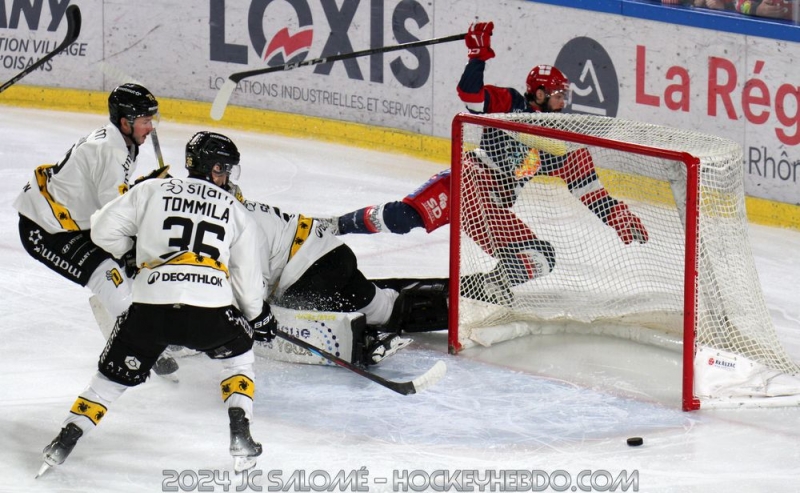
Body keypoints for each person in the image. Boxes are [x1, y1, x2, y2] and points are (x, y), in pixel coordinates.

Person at [331, 22, 648, 304]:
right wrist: (477, 56)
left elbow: (587, 188)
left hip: (494, 205)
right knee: (403, 217)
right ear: (537, 93)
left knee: (539, 257)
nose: (563, 102)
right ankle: (332, 225)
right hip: (469, 181)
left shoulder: (557, 140)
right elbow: (470, 97)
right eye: (556, 95)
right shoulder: (512, 103)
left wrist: (616, 214)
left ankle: (489, 285)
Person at [37, 131, 273, 477]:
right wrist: (259, 317)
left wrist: (131, 254)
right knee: (239, 361)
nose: (227, 178)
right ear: (213, 168)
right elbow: (248, 282)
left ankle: (62, 442)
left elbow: (101, 229)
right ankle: (241, 434)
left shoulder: (150, 190)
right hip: (210, 313)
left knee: (108, 383)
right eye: (225, 170)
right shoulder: (237, 211)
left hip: (149, 309)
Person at [13, 83, 178, 376]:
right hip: (46, 229)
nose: (150, 128)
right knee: (108, 272)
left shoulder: (121, 141)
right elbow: (113, 219)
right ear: (125, 122)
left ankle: (136, 321)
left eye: (151, 120)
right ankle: (140, 343)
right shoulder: (112, 151)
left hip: (72, 218)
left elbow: (112, 198)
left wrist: (143, 187)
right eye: (144, 121)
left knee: (129, 261)